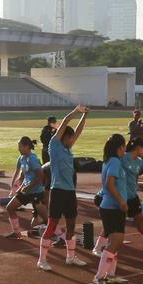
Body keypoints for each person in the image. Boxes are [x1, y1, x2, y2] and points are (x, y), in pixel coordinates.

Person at [93, 137, 143, 257]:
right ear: (139, 147)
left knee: (139, 218)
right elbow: (109, 176)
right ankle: (98, 248)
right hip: (117, 197)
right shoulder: (120, 158)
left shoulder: (139, 161)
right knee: (111, 225)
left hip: (130, 196)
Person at [39, 106, 91, 272]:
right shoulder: (54, 146)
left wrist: (85, 116)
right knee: (52, 225)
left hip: (69, 192)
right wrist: (76, 111)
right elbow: (66, 122)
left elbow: (78, 131)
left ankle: (71, 257)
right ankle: (42, 260)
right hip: (58, 191)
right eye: (71, 138)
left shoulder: (68, 149)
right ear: (64, 137)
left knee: (71, 224)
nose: (73, 140)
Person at [92, 134, 131, 284]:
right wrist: (121, 201)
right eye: (124, 146)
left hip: (111, 207)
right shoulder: (114, 161)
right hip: (112, 207)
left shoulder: (110, 160)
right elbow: (109, 184)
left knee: (116, 241)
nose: (125, 149)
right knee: (116, 240)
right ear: (120, 147)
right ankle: (99, 277)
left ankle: (111, 274)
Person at [4, 136, 48, 238]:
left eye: (20, 146)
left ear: (27, 146)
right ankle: (16, 232)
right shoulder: (21, 158)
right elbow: (24, 175)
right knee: (10, 208)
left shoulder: (32, 159)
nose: (18, 149)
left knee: (46, 218)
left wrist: (29, 186)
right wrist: (19, 186)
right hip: (26, 191)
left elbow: (40, 175)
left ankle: (60, 236)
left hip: (36, 192)